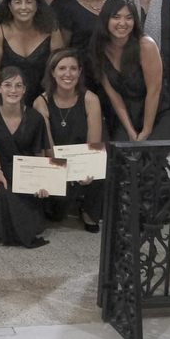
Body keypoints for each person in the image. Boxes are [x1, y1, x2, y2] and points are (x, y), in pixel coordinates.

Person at [0, 67, 51, 249]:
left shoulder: (36, 118)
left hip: (27, 173)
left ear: (24, 89)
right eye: (8, 85)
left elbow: (39, 154)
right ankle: (5, 230)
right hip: (2, 169)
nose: (13, 90)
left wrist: (40, 181)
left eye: (18, 86)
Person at [34, 49, 103, 231]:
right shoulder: (41, 102)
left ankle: (87, 210)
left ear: (80, 72)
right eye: (62, 68)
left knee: (102, 165)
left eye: (73, 68)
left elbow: (93, 144)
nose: (68, 74)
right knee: (56, 214)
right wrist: (67, 172)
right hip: (56, 162)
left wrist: (85, 170)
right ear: (52, 72)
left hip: (83, 160)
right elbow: (48, 148)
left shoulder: (91, 99)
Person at [96, 0, 170, 142]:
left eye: (129, 18)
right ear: (106, 19)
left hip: (159, 112)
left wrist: (146, 131)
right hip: (127, 113)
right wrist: (130, 130)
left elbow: (154, 91)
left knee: (148, 161)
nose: (123, 23)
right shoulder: (99, 48)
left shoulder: (145, 45)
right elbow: (113, 95)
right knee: (121, 158)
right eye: (116, 17)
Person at [0, 0, 61, 109]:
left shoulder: (52, 31)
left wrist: (46, 99)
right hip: (8, 100)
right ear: (10, 7)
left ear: (37, 5)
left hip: (45, 99)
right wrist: (7, 97)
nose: (23, 7)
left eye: (28, 2)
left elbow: (59, 68)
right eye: (17, 2)